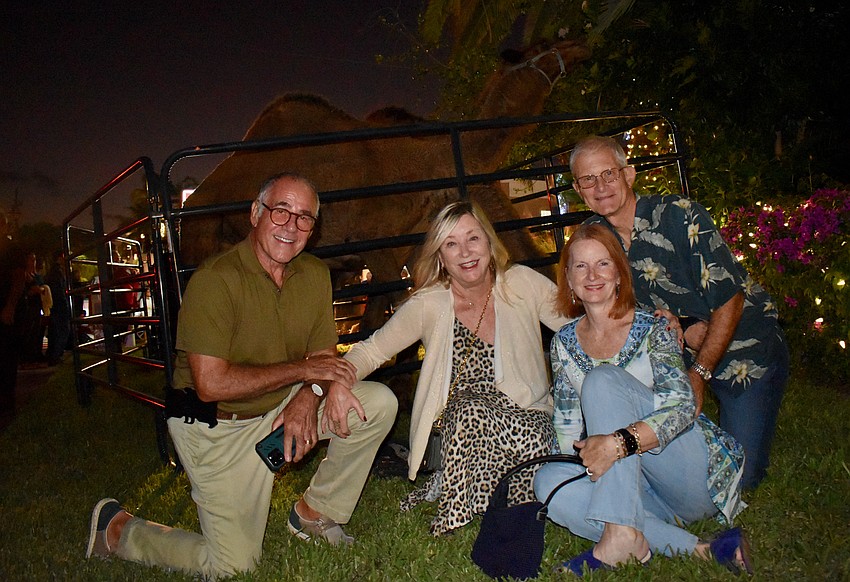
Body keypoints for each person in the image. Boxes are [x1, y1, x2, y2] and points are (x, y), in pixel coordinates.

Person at [85, 172, 398, 579]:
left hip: (279, 407)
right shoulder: (216, 280)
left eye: (305, 218)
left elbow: (322, 358)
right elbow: (211, 384)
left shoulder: (314, 275)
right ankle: (118, 530)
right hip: (217, 428)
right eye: (281, 211)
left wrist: (310, 395)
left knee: (375, 403)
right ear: (256, 213)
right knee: (234, 568)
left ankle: (314, 515)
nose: (292, 226)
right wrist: (305, 372)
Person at [569, 135, 788, 489]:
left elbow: (731, 300)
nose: (601, 186)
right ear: (579, 190)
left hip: (745, 351)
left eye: (608, 173)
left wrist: (698, 374)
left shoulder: (679, 215)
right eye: (588, 179)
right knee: (668, 458)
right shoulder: (596, 240)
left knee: (739, 479)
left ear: (629, 174)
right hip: (675, 357)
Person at [534, 224, 751, 576]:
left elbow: (682, 409)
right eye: (580, 267)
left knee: (602, 381)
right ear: (569, 280)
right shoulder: (563, 343)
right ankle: (697, 549)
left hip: (688, 472)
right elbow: (567, 423)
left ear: (619, 274)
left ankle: (619, 533)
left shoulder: (652, 328)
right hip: (638, 488)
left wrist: (617, 444)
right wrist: (583, 467)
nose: (592, 276)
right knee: (548, 484)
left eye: (603, 264)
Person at [344, 201, 569, 536]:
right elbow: (372, 350)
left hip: (526, 413)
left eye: (472, 239)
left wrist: (632, 329)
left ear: (489, 243)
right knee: (470, 409)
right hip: (463, 421)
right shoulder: (429, 303)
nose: (465, 252)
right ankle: (475, 505)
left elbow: (576, 329)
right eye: (451, 244)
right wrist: (332, 383)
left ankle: (486, 493)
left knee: (535, 437)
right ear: (440, 256)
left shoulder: (521, 283)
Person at [0, 213, 28, 419]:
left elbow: (19, 279)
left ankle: (7, 403)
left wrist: (9, 306)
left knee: (7, 358)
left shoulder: (12, 250)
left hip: (7, 313)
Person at [45, 250, 71, 366]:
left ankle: (54, 354)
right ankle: (56, 355)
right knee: (61, 330)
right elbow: (59, 291)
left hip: (56, 305)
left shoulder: (54, 272)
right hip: (59, 306)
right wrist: (65, 303)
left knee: (57, 330)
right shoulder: (57, 273)